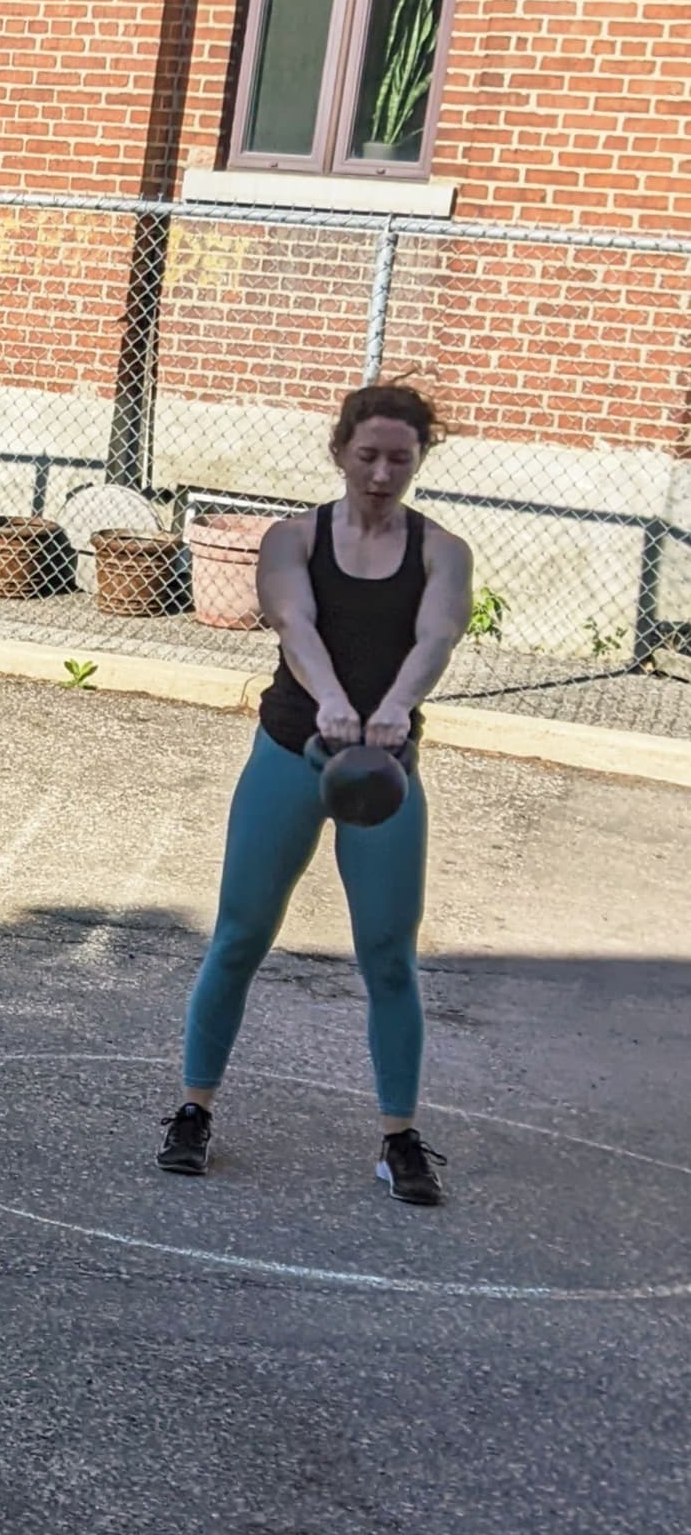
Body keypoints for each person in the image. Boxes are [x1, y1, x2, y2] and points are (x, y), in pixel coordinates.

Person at [159, 381, 473, 1206]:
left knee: (388, 958)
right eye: (366, 456)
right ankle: (193, 1111)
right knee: (238, 937)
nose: (380, 474)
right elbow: (295, 625)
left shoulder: (443, 550)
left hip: (384, 776)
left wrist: (396, 708)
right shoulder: (292, 540)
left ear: (419, 461)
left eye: (399, 459)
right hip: (292, 754)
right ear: (339, 452)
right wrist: (333, 701)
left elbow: (437, 635)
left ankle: (399, 1138)